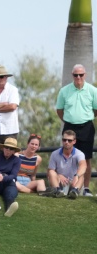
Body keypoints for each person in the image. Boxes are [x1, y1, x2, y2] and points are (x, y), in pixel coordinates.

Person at [55, 64, 97, 196]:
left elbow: (95, 110)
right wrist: (69, 120)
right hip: (69, 126)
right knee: (66, 157)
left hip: (86, 127)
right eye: (75, 75)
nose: (78, 77)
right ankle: (64, 188)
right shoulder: (64, 91)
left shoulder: (92, 90)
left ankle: (85, 188)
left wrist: (84, 118)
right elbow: (59, 110)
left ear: (85, 75)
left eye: (81, 74)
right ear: (72, 75)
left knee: (86, 158)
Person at [39, 130, 87, 199]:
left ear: (74, 141)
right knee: (51, 172)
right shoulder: (54, 154)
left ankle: (75, 191)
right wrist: (58, 175)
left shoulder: (79, 153)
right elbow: (49, 172)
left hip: (74, 182)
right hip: (61, 183)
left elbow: (83, 165)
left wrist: (76, 176)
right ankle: (58, 191)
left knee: (82, 174)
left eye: (69, 140)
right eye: (64, 140)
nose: (66, 142)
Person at [0, 138, 21, 217]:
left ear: (14, 151)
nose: (8, 150)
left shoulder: (17, 160)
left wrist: (4, 178)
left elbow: (13, 175)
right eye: (6, 147)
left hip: (8, 183)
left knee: (10, 194)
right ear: (3, 148)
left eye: (11, 148)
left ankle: (9, 208)